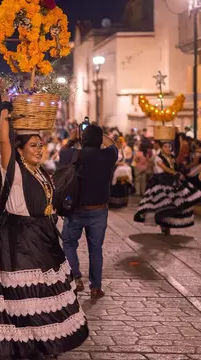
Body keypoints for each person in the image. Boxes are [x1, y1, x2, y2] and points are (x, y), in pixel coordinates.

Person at [0, 95, 89, 360]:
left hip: (43, 238)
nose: (39, 149)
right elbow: (3, 140)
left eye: (41, 144)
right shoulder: (12, 169)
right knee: (20, 295)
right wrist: (4, 110)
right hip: (18, 240)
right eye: (33, 145)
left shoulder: (41, 171)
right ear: (19, 149)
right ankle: (21, 343)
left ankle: (43, 342)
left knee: (43, 293)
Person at [59, 124, 118, 299]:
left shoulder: (74, 154)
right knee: (96, 249)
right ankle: (96, 287)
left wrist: (73, 138)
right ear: (99, 140)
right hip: (98, 211)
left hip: (76, 210)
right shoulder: (108, 156)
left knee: (69, 244)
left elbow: (61, 152)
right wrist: (100, 134)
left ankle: (76, 278)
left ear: (83, 140)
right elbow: (113, 144)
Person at [134, 141, 201, 235]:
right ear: (162, 148)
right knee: (161, 204)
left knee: (173, 203)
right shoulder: (158, 157)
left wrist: (181, 154)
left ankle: (167, 224)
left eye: (169, 146)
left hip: (170, 181)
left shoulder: (171, 157)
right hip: (159, 183)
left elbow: (176, 165)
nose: (167, 148)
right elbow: (164, 168)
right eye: (165, 146)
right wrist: (176, 173)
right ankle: (163, 225)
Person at [109, 137, 132, 209]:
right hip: (114, 168)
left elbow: (124, 159)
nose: (120, 144)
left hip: (122, 167)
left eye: (121, 143)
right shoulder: (113, 150)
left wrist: (122, 163)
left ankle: (123, 201)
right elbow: (111, 161)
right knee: (115, 184)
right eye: (118, 142)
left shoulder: (122, 150)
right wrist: (118, 164)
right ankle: (114, 203)